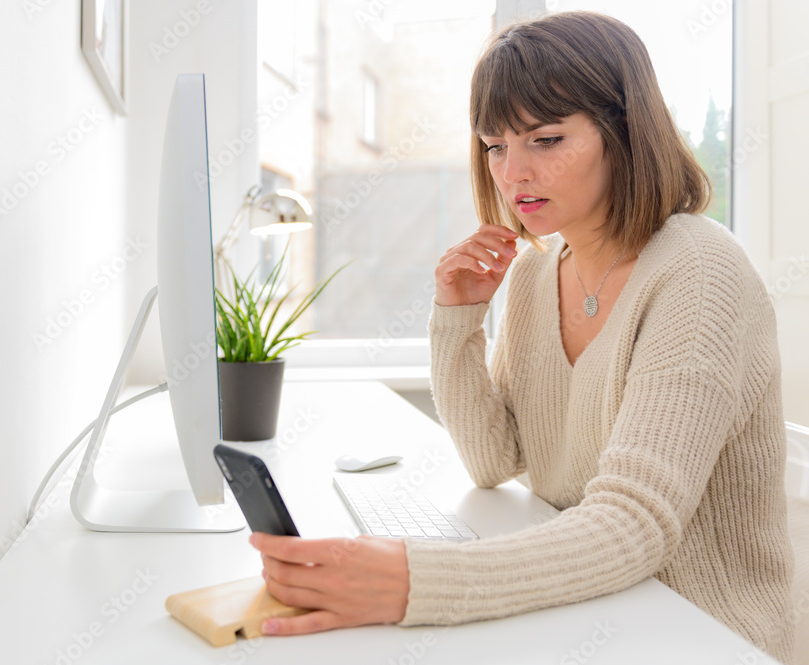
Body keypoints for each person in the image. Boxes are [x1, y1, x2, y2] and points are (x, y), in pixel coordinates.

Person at [250, 11, 794, 661]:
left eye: (546, 139)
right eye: (494, 145)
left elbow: (634, 525)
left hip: (699, 632)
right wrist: (458, 317)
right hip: (593, 607)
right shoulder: (537, 271)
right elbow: (494, 458)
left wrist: (410, 579)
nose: (513, 174)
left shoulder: (699, 272)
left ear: (626, 132)